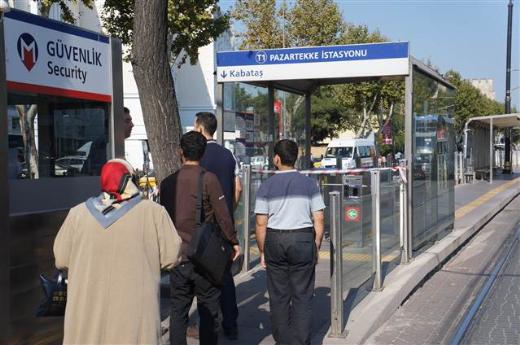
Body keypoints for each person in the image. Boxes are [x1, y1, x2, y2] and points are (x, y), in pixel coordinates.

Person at [53, 159, 182, 344]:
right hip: (134, 316)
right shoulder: (154, 213)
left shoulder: (77, 214)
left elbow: (61, 259)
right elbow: (171, 256)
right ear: (130, 180)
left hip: (87, 317)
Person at [160, 131, 241, 345]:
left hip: (178, 257)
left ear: (181, 152)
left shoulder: (167, 183)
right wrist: (233, 242)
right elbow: (223, 216)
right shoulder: (208, 179)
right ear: (203, 153)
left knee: (178, 312)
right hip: (205, 258)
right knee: (208, 311)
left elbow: (163, 218)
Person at [254, 139, 325, 345]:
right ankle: (301, 341)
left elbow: (260, 223)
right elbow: (318, 217)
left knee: (278, 296)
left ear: (276, 159)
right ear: (296, 158)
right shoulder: (309, 184)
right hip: (303, 239)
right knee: (302, 296)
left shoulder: (266, 186)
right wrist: (316, 245)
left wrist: (262, 250)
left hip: (275, 240)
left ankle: (282, 340)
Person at [194, 112, 241, 340]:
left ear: (201, 128)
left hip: (202, 226)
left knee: (203, 276)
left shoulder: (197, 155)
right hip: (224, 225)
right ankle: (231, 324)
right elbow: (238, 188)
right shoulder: (228, 155)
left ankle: (208, 324)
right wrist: (228, 210)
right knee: (225, 274)